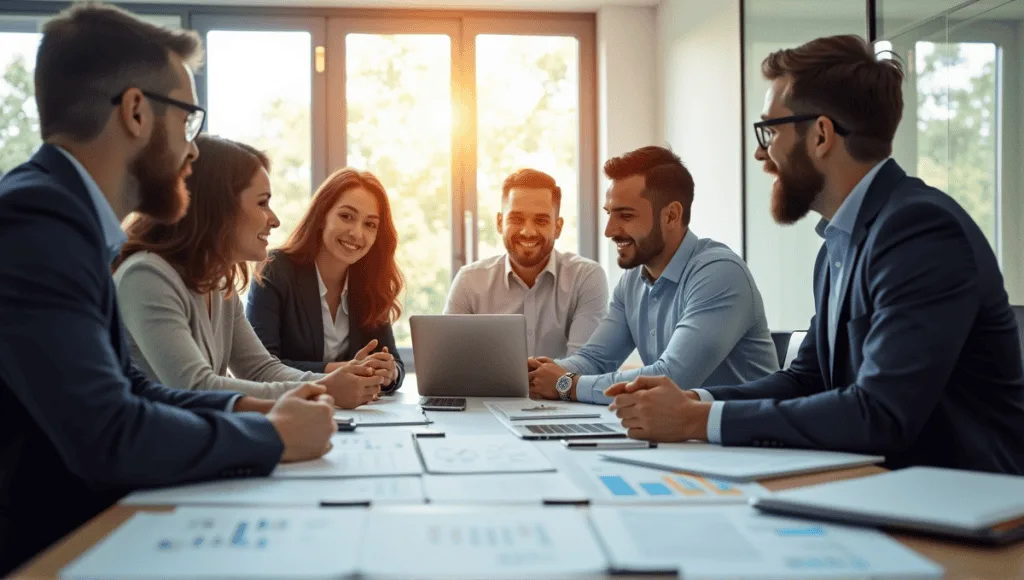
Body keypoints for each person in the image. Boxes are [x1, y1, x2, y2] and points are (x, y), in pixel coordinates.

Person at [0, 4, 335, 574]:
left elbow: (128, 389)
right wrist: (270, 438)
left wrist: (250, 409)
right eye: (187, 120)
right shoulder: (39, 220)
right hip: (49, 550)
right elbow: (109, 433)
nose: (194, 149)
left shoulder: (68, 218)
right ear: (135, 111)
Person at [607, 35, 1024, 475]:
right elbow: (807, 379)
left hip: (962, 503)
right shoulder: (837, 248)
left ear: (821, 135)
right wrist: (694, 399)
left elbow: (882, 414)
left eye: (770, 131)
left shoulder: (919, 230)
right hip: (881, 484)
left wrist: (696, 420)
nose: (760, 152)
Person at [113, 136, 386, 406]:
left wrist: (336, 381)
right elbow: (196, 387)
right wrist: (324, 388)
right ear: (220, 206)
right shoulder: (146, 276)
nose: (275, 220)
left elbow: (260, 370)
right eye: (262, 202)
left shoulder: (219, 284)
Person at [528, 146, 778, 404]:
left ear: (671, 216)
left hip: (742, 436)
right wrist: (538, 372)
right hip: (682, 435)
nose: (610, 231)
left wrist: (566, 384)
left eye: (625, 215)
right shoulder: (633, 280)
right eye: (609, 214)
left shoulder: (719, 273)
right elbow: (595, 360)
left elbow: (672, 377)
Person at [247, 169, 405, 393]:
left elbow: (394, 362)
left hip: (357, 414)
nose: (357, 233)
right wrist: (339, 371)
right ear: (322, 216)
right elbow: (261, 367)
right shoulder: (276, 269)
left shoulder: (370, 280)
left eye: (370, 224)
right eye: (346, 216)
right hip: (292, 410)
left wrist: (389, 372)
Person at [444, 168, 608, 358]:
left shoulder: (586, 278)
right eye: (516, 219)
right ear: (499, 223)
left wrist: (548, 382)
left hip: (560, 389)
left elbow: (584, 366)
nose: (527, 232)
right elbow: (449, 360)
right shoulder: (469, 281)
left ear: (558, 227)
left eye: (541, 220)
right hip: (488, 389)